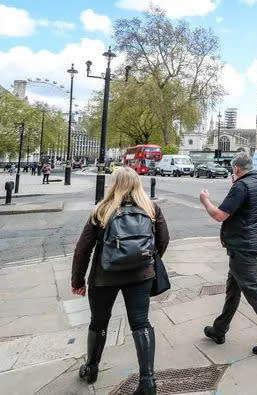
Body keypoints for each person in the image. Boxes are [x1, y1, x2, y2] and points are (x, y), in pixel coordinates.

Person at [71, 167, 170, 394]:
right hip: (141, 275)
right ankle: (148, 382)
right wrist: (147, 261)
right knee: (141, 323)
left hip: (105, 277)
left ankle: (92, 367)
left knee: (99, 322)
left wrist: (78, 280)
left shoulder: (102, 210)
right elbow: (163, 240)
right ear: (137, 184)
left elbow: (82, 249)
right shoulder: (151, 208)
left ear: (113, 184)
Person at [198, 152, 257, 355]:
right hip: (255, 242)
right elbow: (249, 209)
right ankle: (219, 329)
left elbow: (220, 215)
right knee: (233, 289)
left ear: (236, 169)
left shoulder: (241, 186)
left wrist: (205, 200)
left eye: (232, 170)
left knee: (254, 291)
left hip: (242, 245)